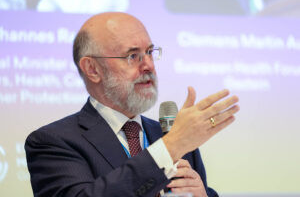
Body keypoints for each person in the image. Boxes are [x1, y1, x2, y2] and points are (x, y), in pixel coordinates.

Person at [25, 12, 239, 197]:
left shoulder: (168, 135)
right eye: (132, 55)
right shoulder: (52, 142)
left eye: (149, 52)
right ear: (92, 69)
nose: (148, 65)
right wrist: (170, 147)